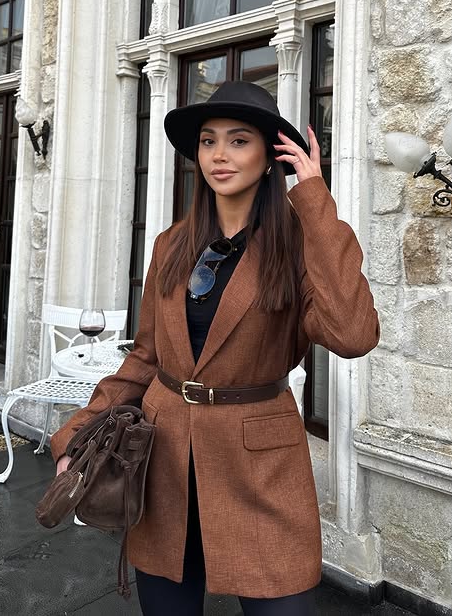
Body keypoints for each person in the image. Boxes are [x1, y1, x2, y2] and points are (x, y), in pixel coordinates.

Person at [51, 81, 380, 615]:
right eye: (208, 141)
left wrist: (315, 199)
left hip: (260, 464)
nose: (219, 155)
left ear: (271, 157)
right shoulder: (171, 245)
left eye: (239, 140)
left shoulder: (300, 245)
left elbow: (353, 334)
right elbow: (146, 357)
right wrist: (78, 434)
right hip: (163, 459)